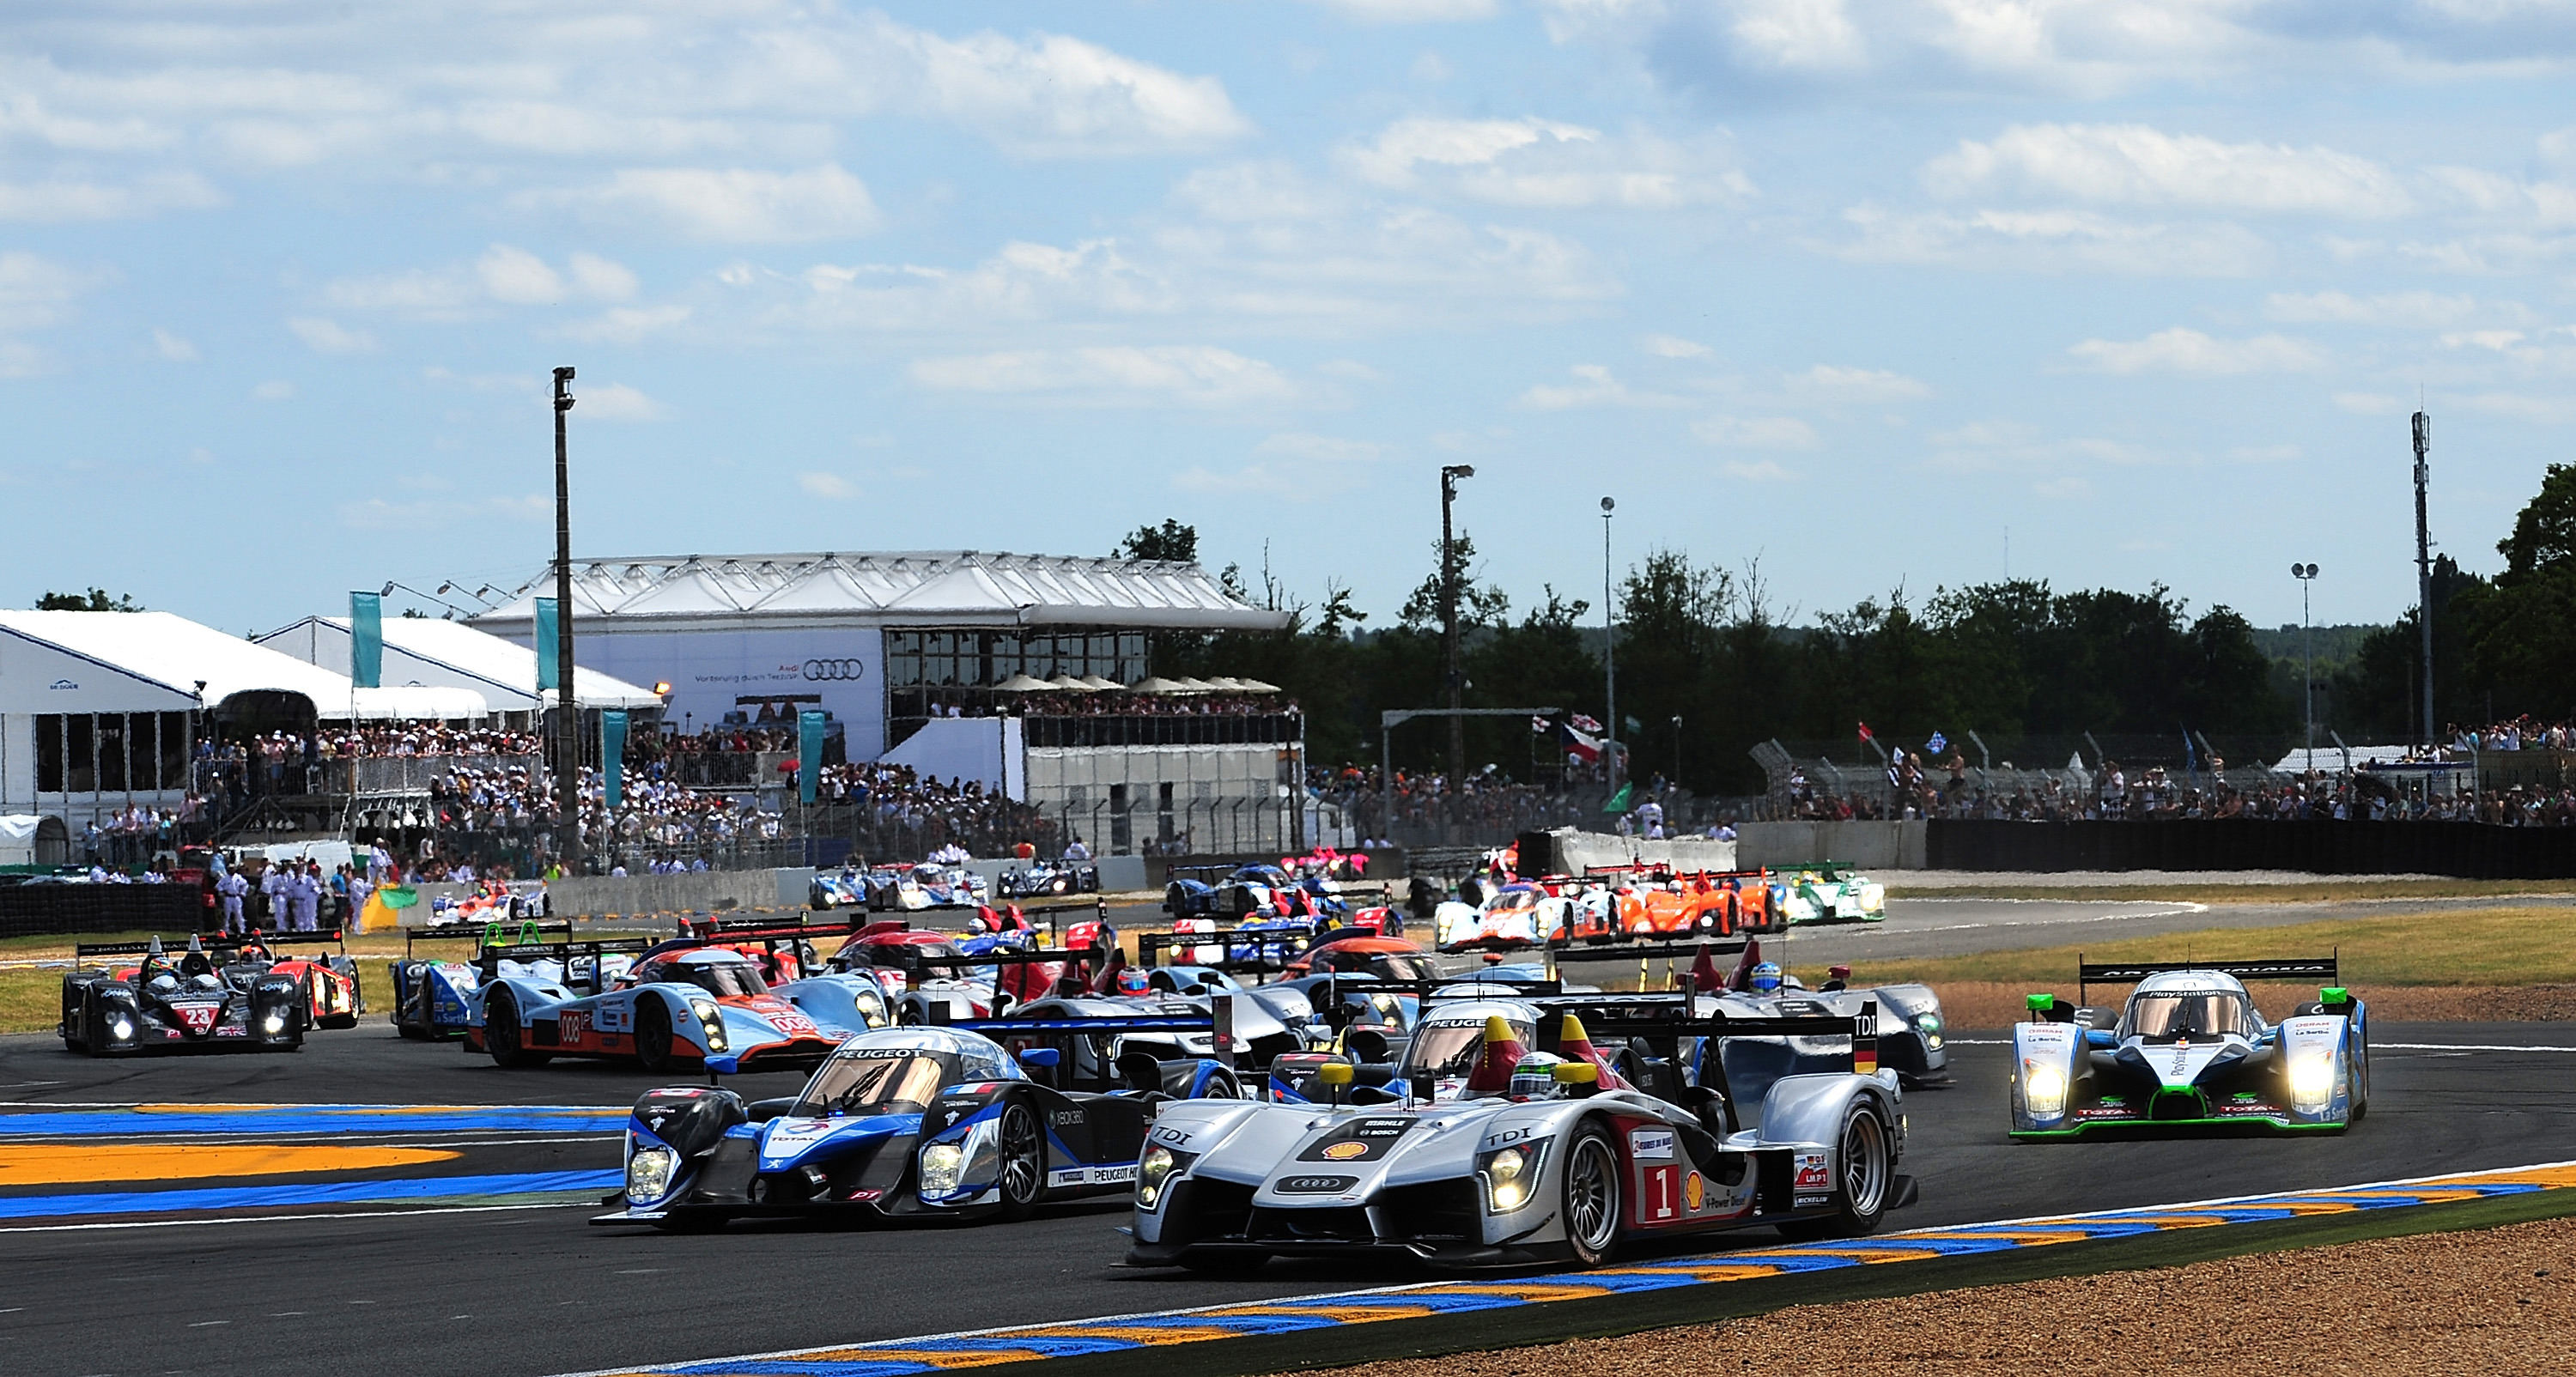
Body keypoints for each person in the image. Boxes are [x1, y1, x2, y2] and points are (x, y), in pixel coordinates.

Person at [216, 867, 250, 936]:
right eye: (230, 869)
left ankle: (242, 930)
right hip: (228, 897)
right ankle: (226, 930)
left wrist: (242, 893)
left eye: (233, 869)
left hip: (236, 897)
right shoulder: (225, 878)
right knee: (227, 914)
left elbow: (245, 885)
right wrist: (223, 891)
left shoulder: (238, 877)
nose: (232, 870)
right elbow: (218, 886)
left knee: (239, 913)